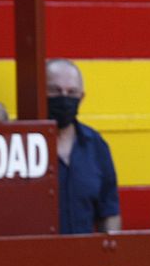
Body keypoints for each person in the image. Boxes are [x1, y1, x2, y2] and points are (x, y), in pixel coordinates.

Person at [47, 59, 121, 236]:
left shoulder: (96, 145)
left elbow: (109, 212)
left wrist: (109, 254)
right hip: (33, 258)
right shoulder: (20, 143)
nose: (64, 98)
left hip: (85, 259)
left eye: (72, 92)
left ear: (81, 98)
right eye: (55, 91)